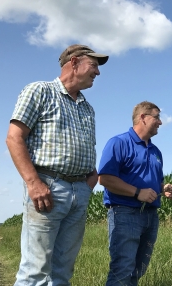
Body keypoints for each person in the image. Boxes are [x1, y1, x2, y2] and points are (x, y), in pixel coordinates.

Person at [6, 44, 109, 285]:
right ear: (74, 63)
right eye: (93, 65)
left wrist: (88, 183)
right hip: (48, 188)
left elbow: (88, 147)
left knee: (63, 270)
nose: (98, 72)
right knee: (36, 270)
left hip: (79, 192)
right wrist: (34, 183)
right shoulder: (40, 90)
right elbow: (14, 137)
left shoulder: (87, 107)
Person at [98, 101, 172, 286]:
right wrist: (137, 193)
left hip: (150, 216)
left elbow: (155, 182)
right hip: (125, 213)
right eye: (156, 117)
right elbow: (105, 179)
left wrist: (164, 189)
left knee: (138, 270)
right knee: (122, 269)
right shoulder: (118, 143)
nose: (160, 122)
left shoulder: (156, 151)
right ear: (143, 117)